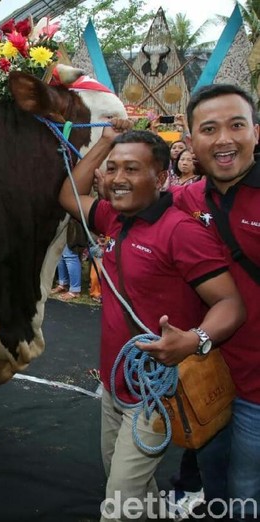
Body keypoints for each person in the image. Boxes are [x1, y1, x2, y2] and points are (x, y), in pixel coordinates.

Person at [58, 123, 245, 521]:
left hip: (156, 394)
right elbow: (69, 193)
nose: (116, 179)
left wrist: (194, 340)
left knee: (119, 505)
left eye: (131, 169)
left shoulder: (181, 232)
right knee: (132, 490)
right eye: (112, 169)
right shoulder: (113, 217)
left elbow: (230, 303)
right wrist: (106, 141)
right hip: (113, 386)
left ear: (161, 178)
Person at [169, 83, 260, 518]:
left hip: (258, 393)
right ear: (190, 143)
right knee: (215, 484)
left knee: (247, 493)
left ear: (256, 133)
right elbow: (98, 200)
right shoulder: (183, 199)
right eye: (209, 128)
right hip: (210, 380)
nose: (224, 138)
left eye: (236, 125)